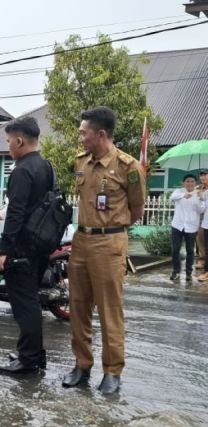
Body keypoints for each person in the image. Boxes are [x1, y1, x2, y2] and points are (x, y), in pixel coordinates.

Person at [63, 107, 145, 395]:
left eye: (84, 133)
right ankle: (81, 364)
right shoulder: (81, 162)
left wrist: (111, 229)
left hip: (110, 243)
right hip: (81, 241)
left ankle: (112, 371)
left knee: (110, 309)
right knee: (78, 306)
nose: (80, 138)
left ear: (101, 134)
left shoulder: (128, 166)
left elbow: (136, 209)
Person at [0, 116, 55, 374]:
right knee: (32, 302)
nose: (8, 147)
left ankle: (28, 361)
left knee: (24, 305)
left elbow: (15, 213)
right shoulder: (46, 166)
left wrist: (3, 251)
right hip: (41, 246)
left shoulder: (22, 170)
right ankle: (33, 354)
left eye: (8, 142)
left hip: (22, 248)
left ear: (19, 140)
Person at [169, 174, 202, 282]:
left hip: (191, 227)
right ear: (184, 183)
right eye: (187, 181)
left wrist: (199, 199)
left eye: (192, 181)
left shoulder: (199, 194)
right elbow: (171, 198)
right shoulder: (179, 191)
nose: (190, 183)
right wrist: (184, 195)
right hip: (177, 225)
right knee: (175, 250)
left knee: (190, 251)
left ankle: (188, 273)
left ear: (195, 183)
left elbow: (201, 210)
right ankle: (176, 271)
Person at [196, 169, 208, 270]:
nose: (203, 177)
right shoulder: (198, 188)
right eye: (201, 175)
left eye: (205, 175)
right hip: (200, 217)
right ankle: (202, 259)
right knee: (200, 238)